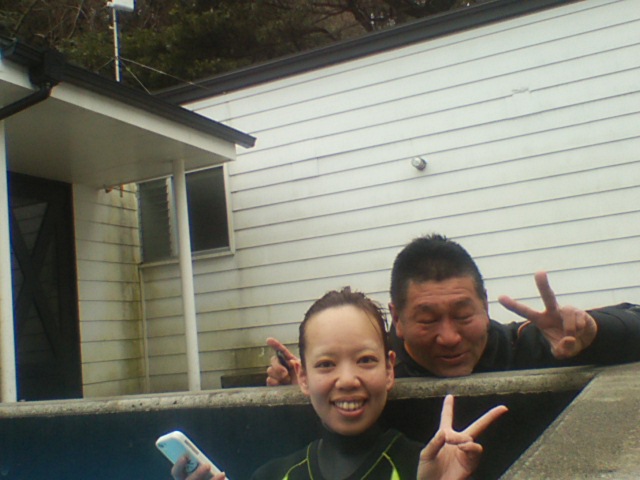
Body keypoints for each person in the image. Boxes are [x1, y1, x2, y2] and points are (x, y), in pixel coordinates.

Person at [171, 288, 507, 480]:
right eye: (326, 364)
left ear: (390, 370)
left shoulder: (427, 466)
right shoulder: (273, 476)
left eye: (366, 360)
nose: (347, 380)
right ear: (303, 377)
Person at [267, 234, 640, 384]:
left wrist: (596, 333)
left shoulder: (525, 345)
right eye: (427, 320)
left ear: (485, 304)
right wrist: (297, 384)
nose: (449, 337)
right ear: (397, 318)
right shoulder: (372, 368)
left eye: (463, 316)